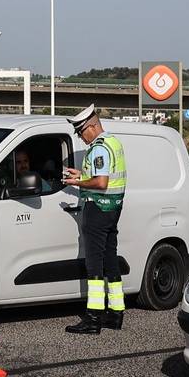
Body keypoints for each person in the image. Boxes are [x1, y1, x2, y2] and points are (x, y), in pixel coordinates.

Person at [61, 105, 127, 334]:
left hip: (97, 209)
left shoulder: (99, 148)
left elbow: (101, 183)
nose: (81, 137)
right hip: (113, 209)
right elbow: (105, 178)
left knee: (94, 263)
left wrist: (76, 183)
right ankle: (116, 314)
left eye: (81, 132)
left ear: (92, 126)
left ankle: (93, 319)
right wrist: (81, 175)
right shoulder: (113, 143)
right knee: (110, 260)